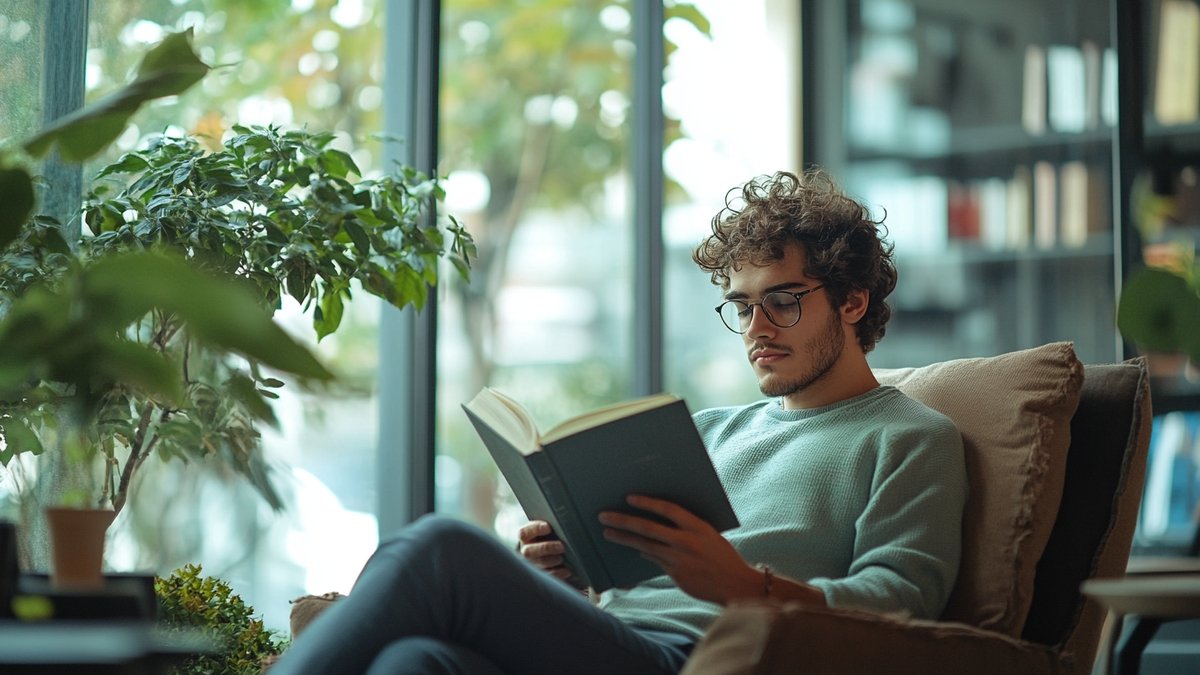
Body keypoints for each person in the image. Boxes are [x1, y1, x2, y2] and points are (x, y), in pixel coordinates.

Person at [269, 169, 968, 675]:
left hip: (692, 660)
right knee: (414, 661)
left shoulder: (910, 439)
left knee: (441, 548)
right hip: (608, 639)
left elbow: (902, 607)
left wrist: (739, 583)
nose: (755, 327)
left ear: (851, 301)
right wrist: (567, 574)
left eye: (782, 300)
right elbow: (628, 585)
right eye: (741, 304)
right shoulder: (715, 430)